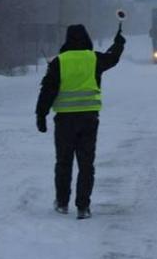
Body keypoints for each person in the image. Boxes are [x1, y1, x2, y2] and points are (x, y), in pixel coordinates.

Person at [35, 23, 125, 218]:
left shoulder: (59, 62)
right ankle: (83, 207)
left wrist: (41, 115)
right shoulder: (93, 59)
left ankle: (62, 203)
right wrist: (118, 43)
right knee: (86, 164)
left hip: (64, 120)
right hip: (88, 119)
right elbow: (112, 58)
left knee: (63, 162)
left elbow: (48, 90)